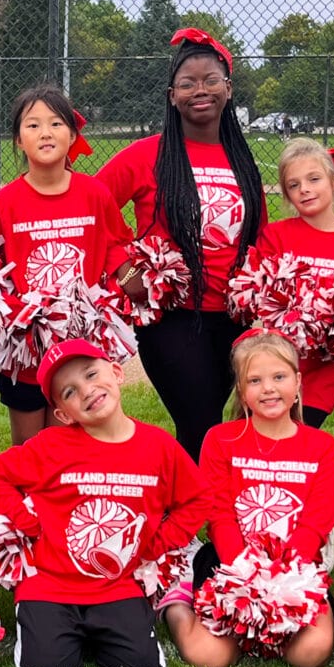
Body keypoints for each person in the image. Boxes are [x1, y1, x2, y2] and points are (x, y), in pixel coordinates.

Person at [0, 339, 208, 667]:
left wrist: (158, 544)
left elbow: (198, 498)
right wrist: (27, 524)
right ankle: (56, 629)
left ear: (116, 373)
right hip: (49, 583)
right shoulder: (51, 446)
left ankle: (108, 626)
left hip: (118, 584)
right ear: (62, 414)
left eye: (91, 374)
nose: (86, 390)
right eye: (69, 392)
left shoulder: (158, 446)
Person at [98, 28, 269, 461]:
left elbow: (260, 235)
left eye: (211, 80)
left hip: (232, 315)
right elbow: (91, 208)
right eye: (188, 83)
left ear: (228, 90)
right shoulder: (146, 154)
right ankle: (191, 521)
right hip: (172, 317)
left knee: (216, 423)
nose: (200, 90)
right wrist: (125, 267)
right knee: (200, 421)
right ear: (172, 95)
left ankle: (199, 516)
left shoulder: (242, 159)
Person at [175, 330, 334, 667]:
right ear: (241, 390)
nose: (268, 388)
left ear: (297, 382)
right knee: (211, 657)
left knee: (308, 654)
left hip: (297, 567)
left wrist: (284, 572)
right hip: (231, 563)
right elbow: (218, 513)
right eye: (255, 380)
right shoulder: (221, 439)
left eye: (279, 377)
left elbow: (321, 514)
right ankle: (176, 603)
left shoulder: (322, 445)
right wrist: (246, 573)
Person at [0, 85, 131, 445]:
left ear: (73, 135)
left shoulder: (94, 194)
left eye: (55, 123)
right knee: (30, 447)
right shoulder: (3, 203)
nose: (45, 133)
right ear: (18, 140)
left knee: (75, 440)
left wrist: (132, 281)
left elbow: (117, 248)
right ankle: (28, 500)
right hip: (27, 348)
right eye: (32, 125)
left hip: (80, 342)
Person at [242, 138, 334, 427]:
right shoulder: (276, 235)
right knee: (272, 426)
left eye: (313, 179)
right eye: (294, 185)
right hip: (284, 356)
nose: (304, 189)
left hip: (331, 361)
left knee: (305, 426)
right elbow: (262, 291)